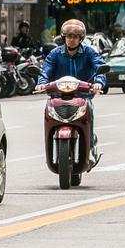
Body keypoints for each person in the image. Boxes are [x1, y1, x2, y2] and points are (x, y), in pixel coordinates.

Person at [36, 19, 106, 162]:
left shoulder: (90, 52)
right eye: (69, 36)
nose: (72, 40)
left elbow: (99, 67)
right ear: (64, 38)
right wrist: (41, 83)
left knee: (89, 111)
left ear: (81, 39)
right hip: (58, 96)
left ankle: (91, 148)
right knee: (47, 113)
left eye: (75, 37)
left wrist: (98, 83)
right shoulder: (55, 54)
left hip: (82, 95)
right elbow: (46, 69)